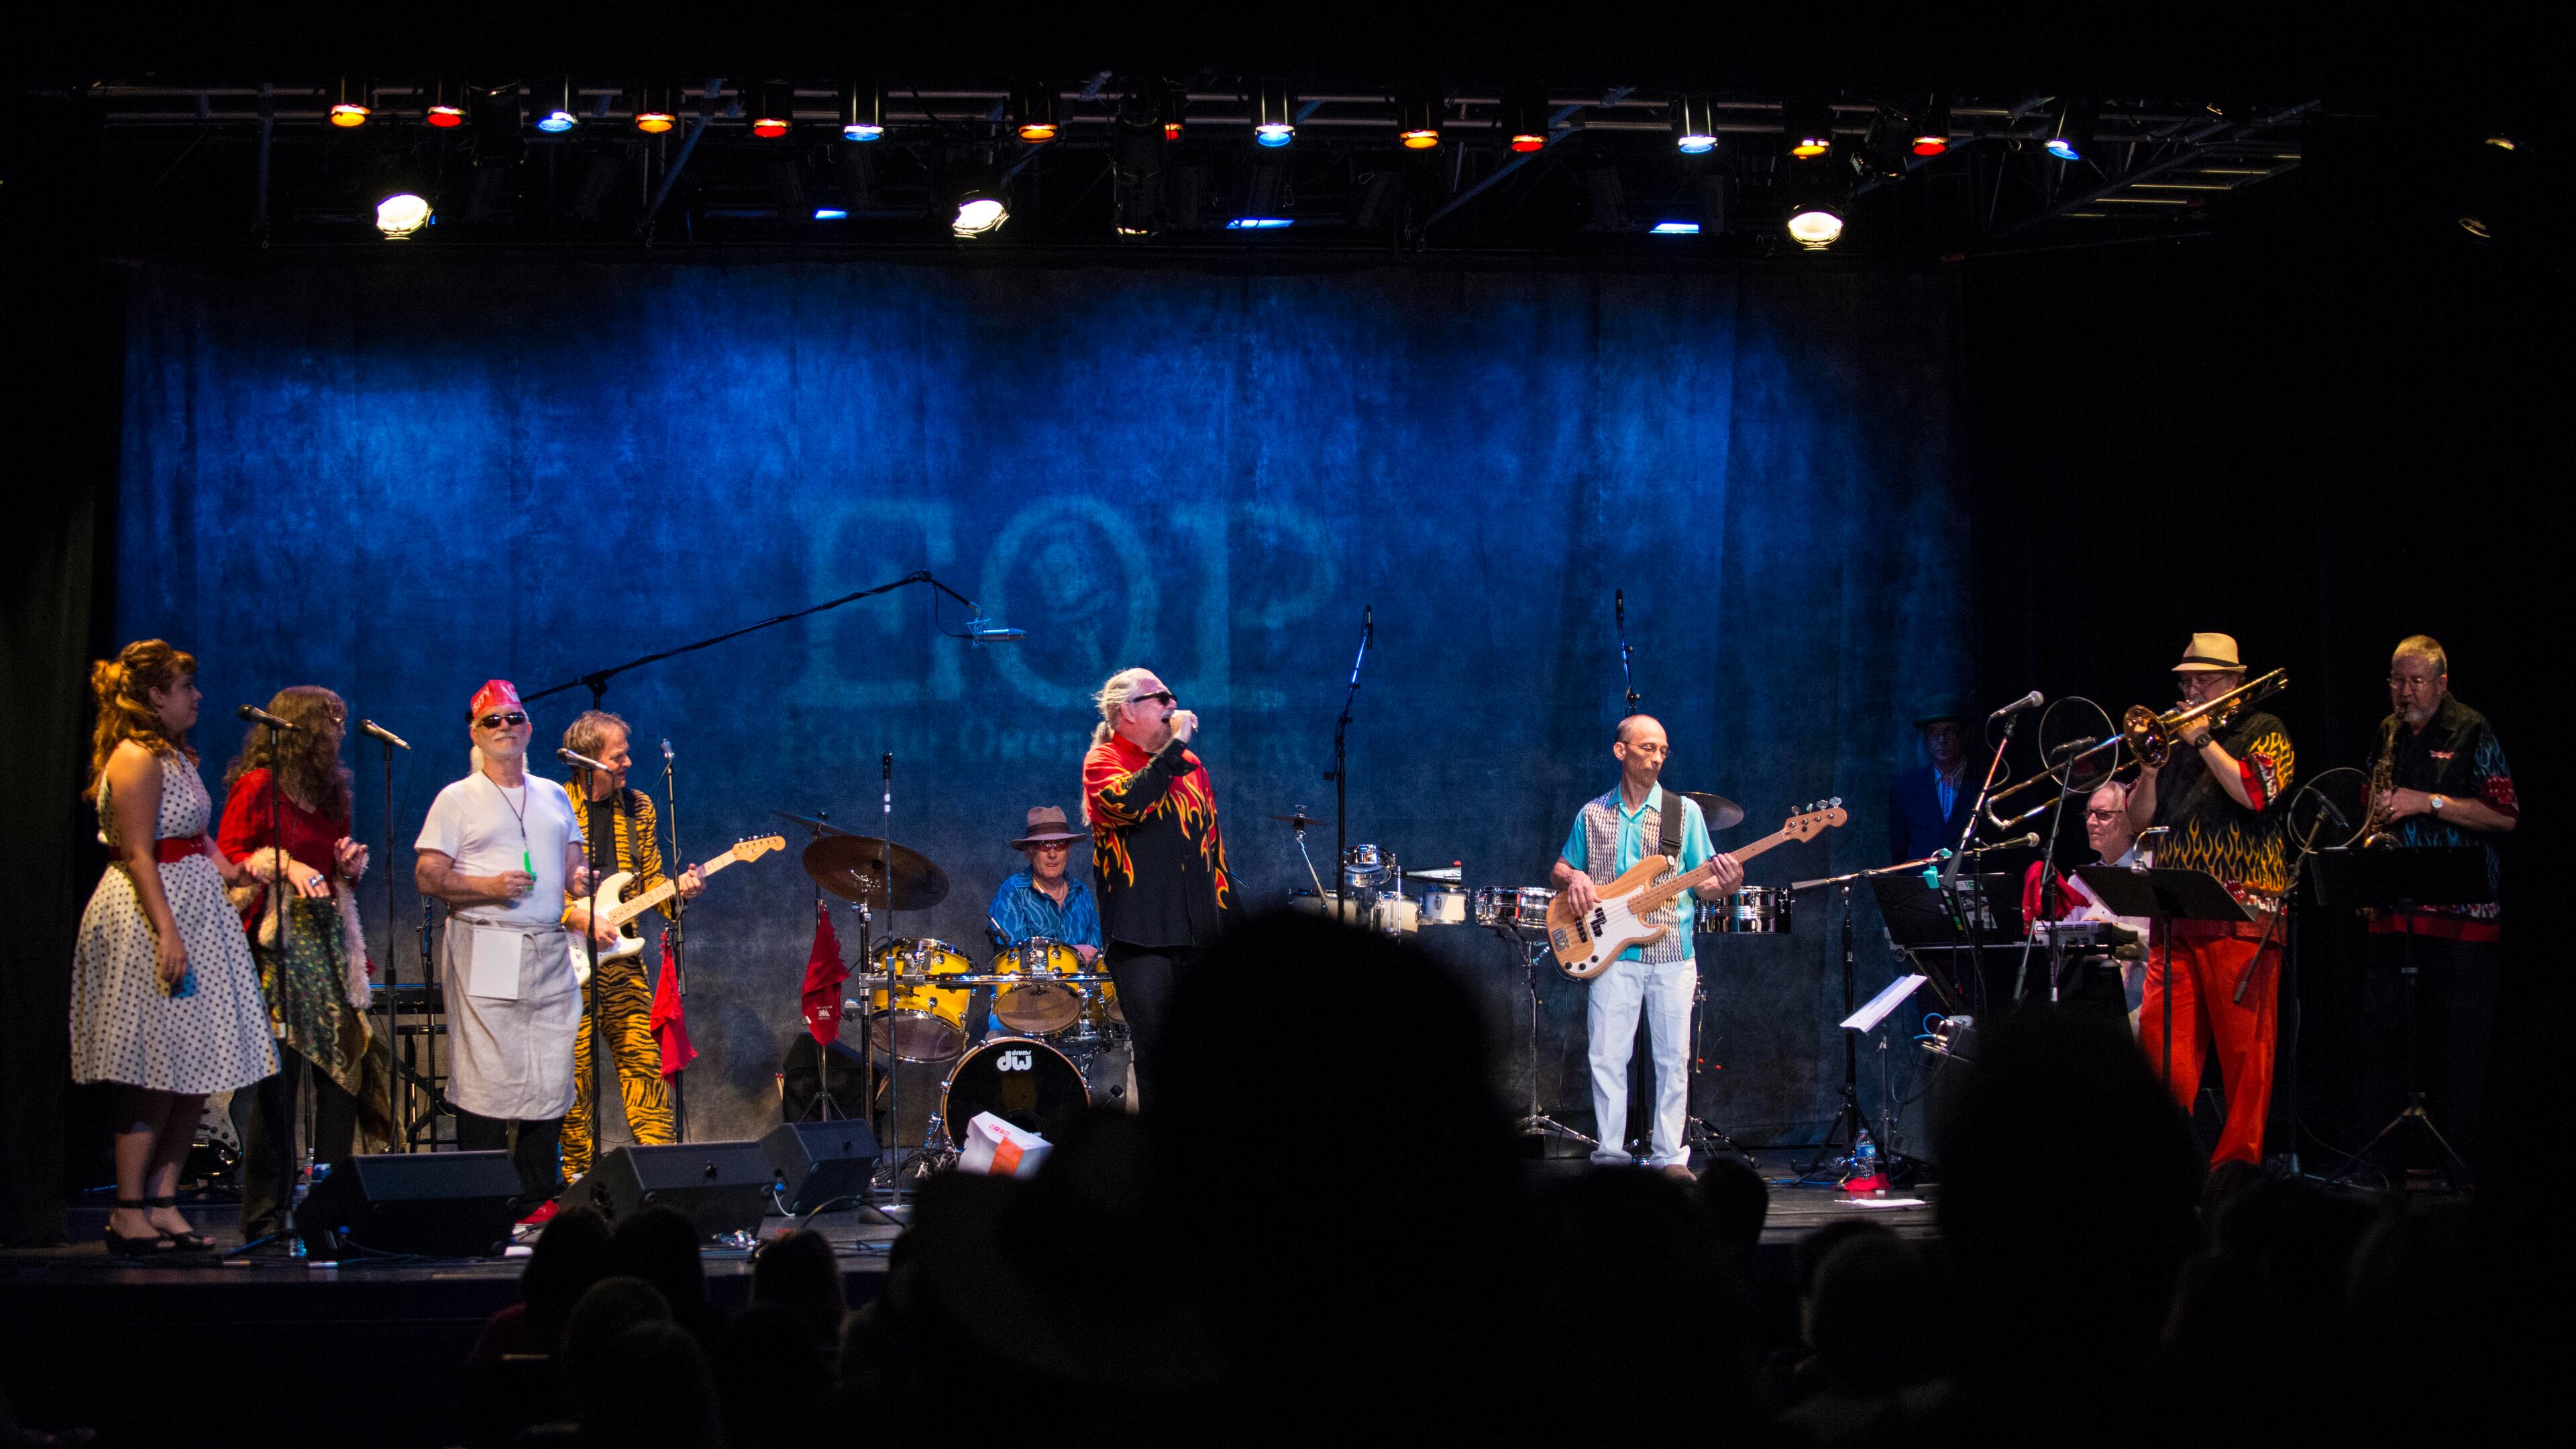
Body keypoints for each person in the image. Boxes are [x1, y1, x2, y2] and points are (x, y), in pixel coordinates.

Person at [70, 639, 277, 1255]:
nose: (197, 696)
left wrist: (237, 872)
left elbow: (196, 838)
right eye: (186, 687)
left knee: (198, 1070)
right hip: (150, 914)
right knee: (155, 1070)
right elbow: (138, 852)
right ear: (156, 695)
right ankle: (128, 1209)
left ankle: (163, 1202)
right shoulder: (134, 757)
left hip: (198, 910)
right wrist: (167, 932)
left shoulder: (175, 755)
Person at [415, 680, 608, 1205]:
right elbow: (428, 874)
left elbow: (569, 860)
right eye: (493, 720)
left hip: (546, 944)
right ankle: (480, 1195)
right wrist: (487, 886)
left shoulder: (551, 794)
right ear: (475, 733)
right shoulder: (457, 799)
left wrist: (579, 880)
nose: (506, 727)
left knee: (548, 1065)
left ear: (530, 727)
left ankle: (536, 1194)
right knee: (488, 1067)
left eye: (514, 718)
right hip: (490, 941)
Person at [2123, 631, 2294, 1165]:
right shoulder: (2173, 741)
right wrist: (2150, 771)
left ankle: (2237, 1173)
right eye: (2187, 679)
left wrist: (2203, 741)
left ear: (2235, 683)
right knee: (2159, 1052)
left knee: (2247, 1059)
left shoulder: (2265, 729)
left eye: (2204, 678)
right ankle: (2162, 1163)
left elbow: (2255, 792)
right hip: (2176, 913)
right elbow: (2135, 824)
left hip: (2242, 916)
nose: (2192, 688)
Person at [1550, 715, 1743, 1179]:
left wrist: (1728, 883)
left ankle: (1669, 1158)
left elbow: (1704, 886)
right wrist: (1574, 877)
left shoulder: (1684, 813)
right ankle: (1611, 1156)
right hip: (1609, 950)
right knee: (1607, 1056)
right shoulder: (1592, 813)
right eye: (1647, 749)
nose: (1656, 758)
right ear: (1621, 752)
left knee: (1672, 1058)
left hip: (1672, 951)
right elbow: (1561, 866)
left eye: (1663, 751)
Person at [215, 684, 376, 1246]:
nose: (339, 728)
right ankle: (265, 1216)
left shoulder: (333, 792)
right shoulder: (259, 787)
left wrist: (346, 870)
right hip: (272, 947)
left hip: (325, 943)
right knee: (278, 1087)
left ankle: (330, 1210)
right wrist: (281, 865)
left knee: (341, 1074)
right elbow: (230, 861)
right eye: (330, 717)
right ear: (301, 726)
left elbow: (331, 875)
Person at [2362, 635, 2516, 1173]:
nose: (2403, 693)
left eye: (2415, 682)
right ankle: (2398, 1168)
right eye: (2396, 681)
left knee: (2458, 1057)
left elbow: (2505, 815)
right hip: (2397, 914)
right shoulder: (2387, 732)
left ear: (2442, 682)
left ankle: (2458, 1170)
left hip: (2460, 922)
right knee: (2394, 1051)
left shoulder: (2472, 728)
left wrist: (2425, 801)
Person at [558, 711, 704, 1187]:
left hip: (620, 962)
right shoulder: (555, 805)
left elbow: (648, 882)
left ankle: (659, 1171)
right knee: (572, 1074)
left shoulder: (638, 807)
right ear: (585, 760)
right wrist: (575, 915)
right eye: (617, 755)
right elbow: (535, 883)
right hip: (562, 962)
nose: (628, 762)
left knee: (645, 1060)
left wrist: (678, 891)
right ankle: (577, 1173)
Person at [1081, 667, 1234, 1102]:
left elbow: (1213, 854)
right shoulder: (1104, 762)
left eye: (1173, 696)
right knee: (1159, 1056)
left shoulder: (1189, 766)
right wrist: (1176, 745)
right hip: (1141, 937)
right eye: (1161, 697)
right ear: (1127, 711)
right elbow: (1129, 803)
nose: (1172, 705)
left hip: (1197, 933)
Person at [2019, 779, 2151, 1024]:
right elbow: (2066, 948)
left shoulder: (2151, 871)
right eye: (2089, 813)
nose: (2091, 822)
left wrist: (2112, 935)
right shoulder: (2080, 879)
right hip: (2089, 1009)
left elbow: (2166, 944)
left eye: (2103, 815)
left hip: (2138, 1009)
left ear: (2129, 818)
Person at [982, 805, 1104, 1041]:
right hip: (1020, 1007)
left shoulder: (1082, 893)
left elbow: (1094, 953)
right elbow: (1013, 958)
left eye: (1060, 845)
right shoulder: (1013, 891)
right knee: (999, 1039)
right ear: (1029, 852)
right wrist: (1072, 952)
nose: (1052, 854)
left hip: (1074, 1007)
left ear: (1069, 850)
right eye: (1043, 845)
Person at [1888, 702, 1976, 863]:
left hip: (1972, 883)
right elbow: (1899, 849)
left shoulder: (1983, 784)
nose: (1941, 740)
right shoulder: (1906, 787)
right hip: (1922, 884)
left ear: (1964, 734)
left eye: (1949, 731)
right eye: (1933, 732)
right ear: (1927, 739)